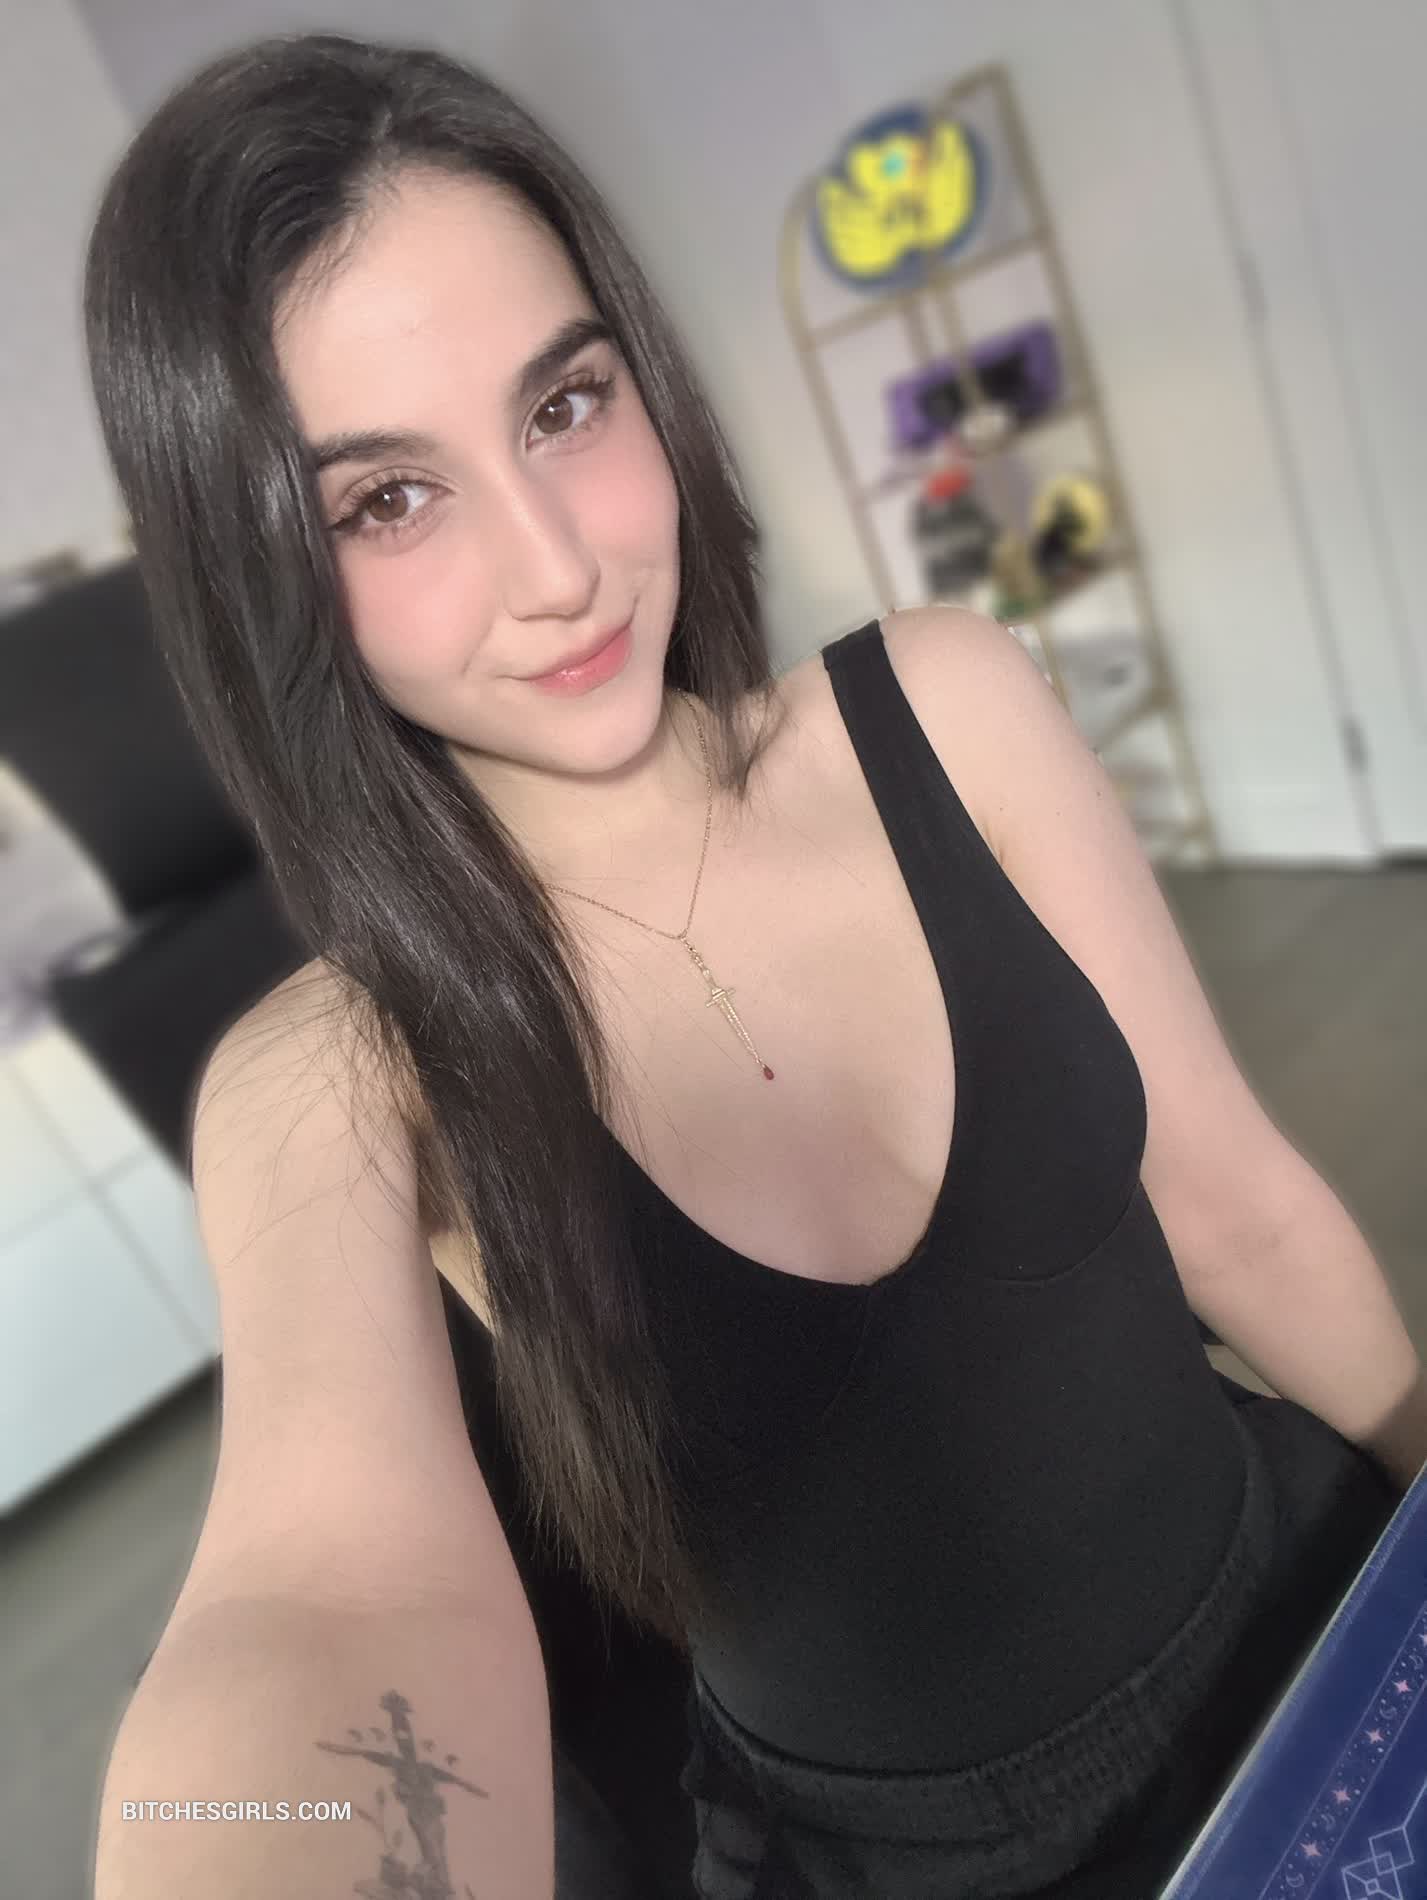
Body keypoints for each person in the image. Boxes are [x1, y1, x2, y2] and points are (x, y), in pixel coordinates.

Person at [82, 31, 1426, 1900]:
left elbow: (1236, 1203)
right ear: (258, 579)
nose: (558, 566)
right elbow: (321, 1596)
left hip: (1312, 1646)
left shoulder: (944, 707)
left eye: (565, 405)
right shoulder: (336, 1087)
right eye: (385, 501)